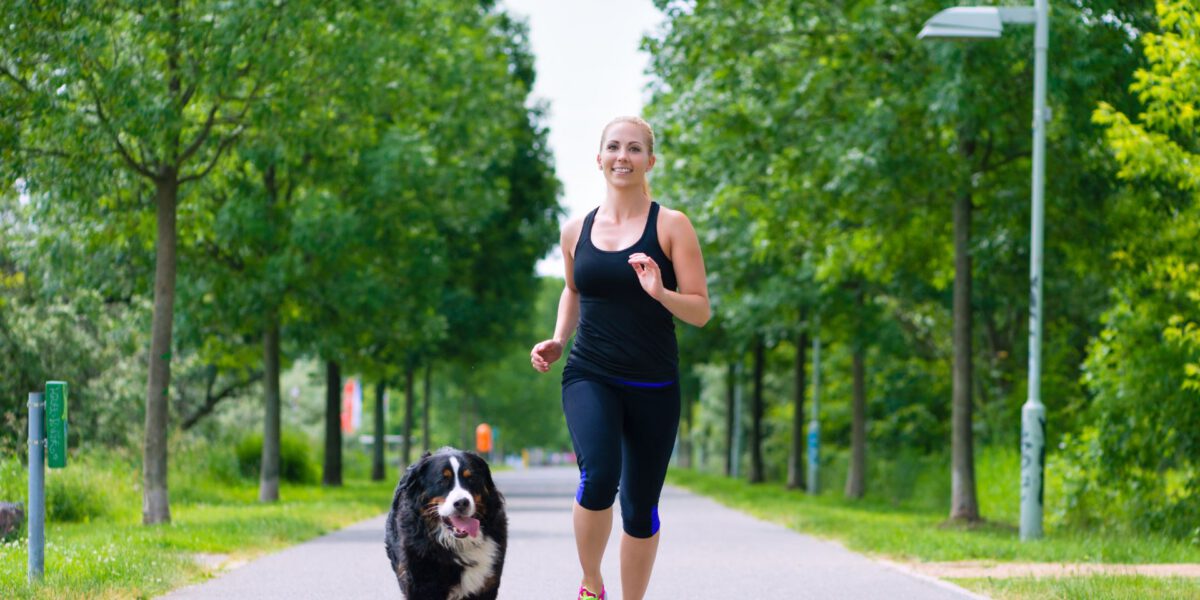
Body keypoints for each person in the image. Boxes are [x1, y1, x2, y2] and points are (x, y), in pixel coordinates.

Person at [530, 116, 710, 600]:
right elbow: (573, 290)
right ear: (599, 158)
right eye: (613, 147)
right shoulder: (576, 230)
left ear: (650, 161)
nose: (622, 157)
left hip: (653, 383)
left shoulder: (671, 225)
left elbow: (701, 310)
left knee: (639, 507)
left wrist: (660, 291)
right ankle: (592, 583)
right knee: (599, 475)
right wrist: (557, 339)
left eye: (634, 149)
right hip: (590, 372)